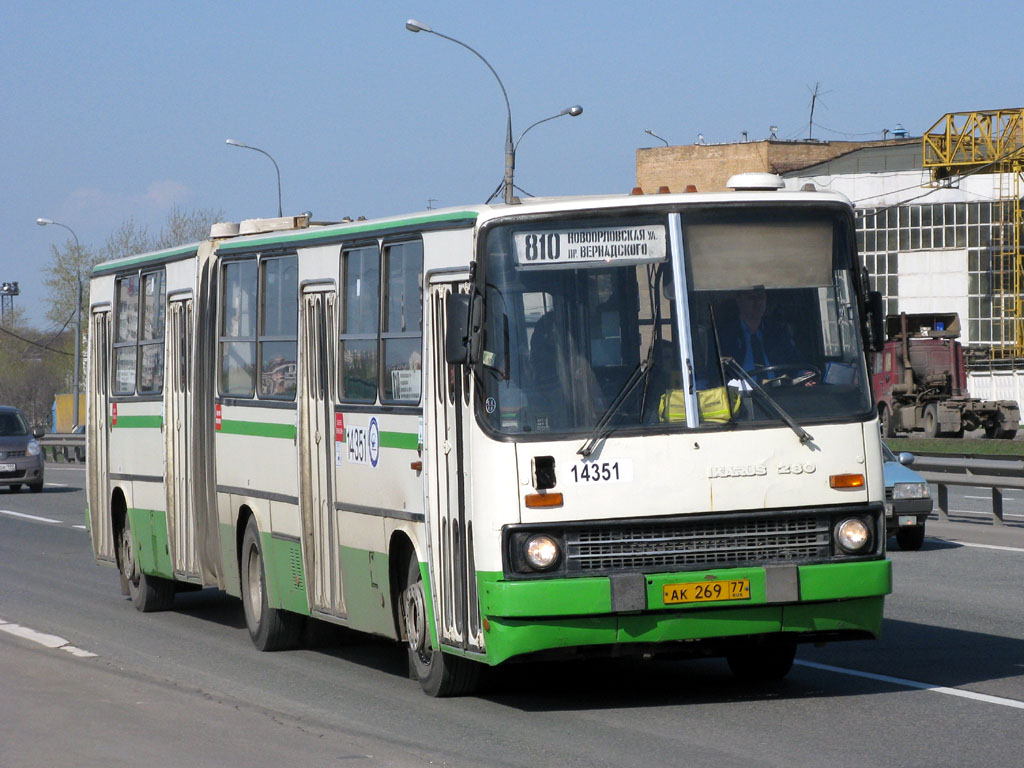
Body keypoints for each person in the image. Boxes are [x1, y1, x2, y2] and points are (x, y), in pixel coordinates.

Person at [716, 286, 802, 375]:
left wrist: (804, 375)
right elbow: (712, 374)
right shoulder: (722, 335)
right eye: (751, 298)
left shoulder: (778, 332)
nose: (758, 303)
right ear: (739, 300)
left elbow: (796, 363)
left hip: (778, 388)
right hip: (738, 389)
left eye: (761, 297)